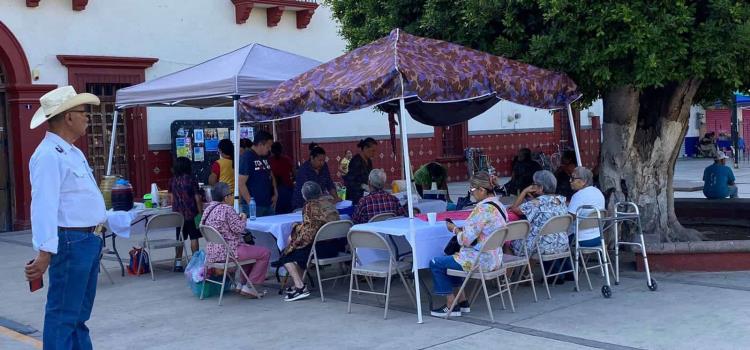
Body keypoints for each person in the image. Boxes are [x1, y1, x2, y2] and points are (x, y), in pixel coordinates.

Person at [25, 86, 107, 349]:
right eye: (83, 112)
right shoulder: (48, 155)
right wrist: (45, 250)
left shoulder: (72, 152)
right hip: (72, 242)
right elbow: (44, 205)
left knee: (79, 316)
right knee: (63, 315)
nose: (87, 118)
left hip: (88, 240)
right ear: (68, 117)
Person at [429, 171, 507, 317]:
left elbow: (465, 240)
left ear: (482, 190)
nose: (472, 194)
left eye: (472, 190)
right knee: (451, 259)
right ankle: (463, 301)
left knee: (436, 263)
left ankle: (451, 304)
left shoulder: (482, 209)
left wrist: (454, 229)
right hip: (495, 258)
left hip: (478, 260)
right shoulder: (499, 206)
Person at [274, 181, 342, 301]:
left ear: (305, 195)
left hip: (320, 249)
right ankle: (297, 283)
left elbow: (308, 234)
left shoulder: (310, 207)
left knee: (286, 255)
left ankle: (300, 287)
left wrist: (293, 241)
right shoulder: (329, 203)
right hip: (334, 246)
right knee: (300, 254)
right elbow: (314, 225)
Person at [202, 182, 270, 298]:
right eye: (231, 194)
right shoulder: (228, 209)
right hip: (229, 252)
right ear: (226, 197)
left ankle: (241, 284)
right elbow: (239, 229)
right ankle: (250, 286)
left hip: (212, 253)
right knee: (264, 253)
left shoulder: (207, 210)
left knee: (249, 250)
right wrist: (243, 218)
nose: (233, 196)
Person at [509, 170, 570, 283]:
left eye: (534, 184)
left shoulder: (537, 202)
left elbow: (514, 209)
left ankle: (508, 280)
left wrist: (524, 191)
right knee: (532, 239)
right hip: (561, 244)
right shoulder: (561, 200)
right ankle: (526, 275)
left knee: (509, 243)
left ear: (541, 187)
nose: (532, 186)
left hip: (542, 246)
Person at [170, 156, 203, 272]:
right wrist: (200, 212)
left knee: (179, 238)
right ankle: (195, 262)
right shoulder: (191, 179)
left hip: (178, 215)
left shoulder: (173, 180)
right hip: (192, 213)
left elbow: (172, 198)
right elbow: (197, 198)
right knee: (194, 238)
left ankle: (178, 263)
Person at [238, 130, 278, 217]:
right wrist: (250, 203)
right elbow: (241, 183)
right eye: (268, 147)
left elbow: (271, 175)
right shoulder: (247, 157)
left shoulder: (265, 157)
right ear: (260, 144)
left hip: (268, 204)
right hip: (255, 206)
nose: (270, 149)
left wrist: (275, 193)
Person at [293, 143, 340, 210]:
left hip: (318, 204)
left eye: (323, 160)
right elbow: (308, 194)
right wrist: (326, 202)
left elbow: (329, 183)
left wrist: (336, 198)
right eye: (320, 160)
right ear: (312, 158)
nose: (322, 163)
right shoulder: (304, 170)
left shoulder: (324, 167)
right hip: (302, 206)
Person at [567, 167, 606, 247]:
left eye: (573, 178)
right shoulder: (598, 192)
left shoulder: (578, 195)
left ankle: (563, 259)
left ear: (583, 181)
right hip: (598, 237)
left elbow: (569, 218)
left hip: (581, 239)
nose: (570, 181)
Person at [344, 137, 377, 205]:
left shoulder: (369, 161)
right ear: (365, 148)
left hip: (365, 196)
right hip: (354, 197)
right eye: (372, 151)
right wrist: (362, 186)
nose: (374, 153)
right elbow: (349, 181)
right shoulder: (355, 161)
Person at [269, 142, 295, 214]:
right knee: (289, 212)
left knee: (278, 213)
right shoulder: (287, 159)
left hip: (277, 189)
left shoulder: (269, 160)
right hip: (288, 187)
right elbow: (293, 172)